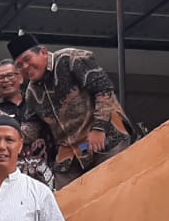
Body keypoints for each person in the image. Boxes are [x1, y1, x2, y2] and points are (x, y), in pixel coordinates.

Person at [9, 33, 133, 189]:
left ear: (43, 52)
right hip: (73, 153)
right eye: (19, 65)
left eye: (27, 59)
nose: (25, 67)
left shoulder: (71, 59)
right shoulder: (31, 92)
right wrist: (10, 138)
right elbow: (32, 125)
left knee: (114, 188)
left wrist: (99, 128)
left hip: (106, 137)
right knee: (62, 197)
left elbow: (103, 90)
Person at [0, 60, 52, 186]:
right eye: (1, 77)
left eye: (10, 75)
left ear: (20, 78)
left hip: (41, 172)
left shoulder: (37, 104)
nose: (6, 80)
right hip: (4, 175)